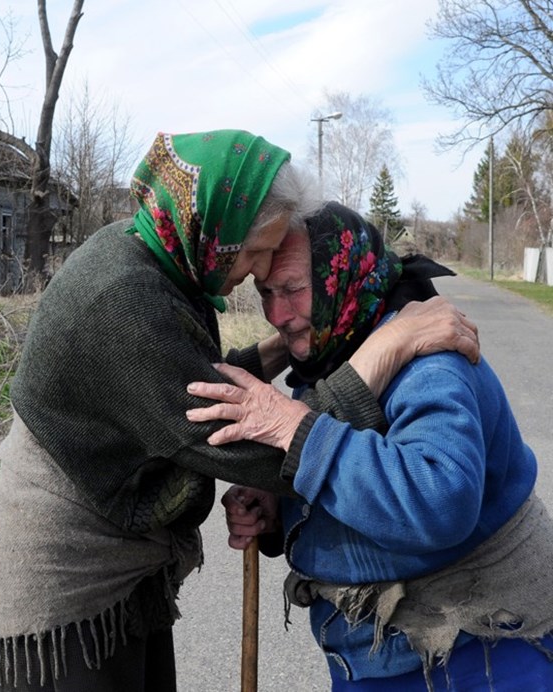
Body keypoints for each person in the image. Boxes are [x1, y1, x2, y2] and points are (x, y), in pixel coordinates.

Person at [0, 131, 479, 692]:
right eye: (253, 254)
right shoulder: (123, 298)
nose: (253, 274)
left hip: (120, 582)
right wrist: (383, 350)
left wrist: (290, 346)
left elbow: (198, 384)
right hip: (53, 593)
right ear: (213, 233)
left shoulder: (153, 253)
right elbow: (254, 447)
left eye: (280, 271)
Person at [188, 201, 553, 690]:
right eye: (266, 293)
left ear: (347, 279)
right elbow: (355, 465)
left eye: (294, 290)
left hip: (477, 656)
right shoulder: (336, 353)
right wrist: (282, 507)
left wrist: (295, 432)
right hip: (385, 660)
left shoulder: (428, 361)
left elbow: (438, 498)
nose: (278, 314)